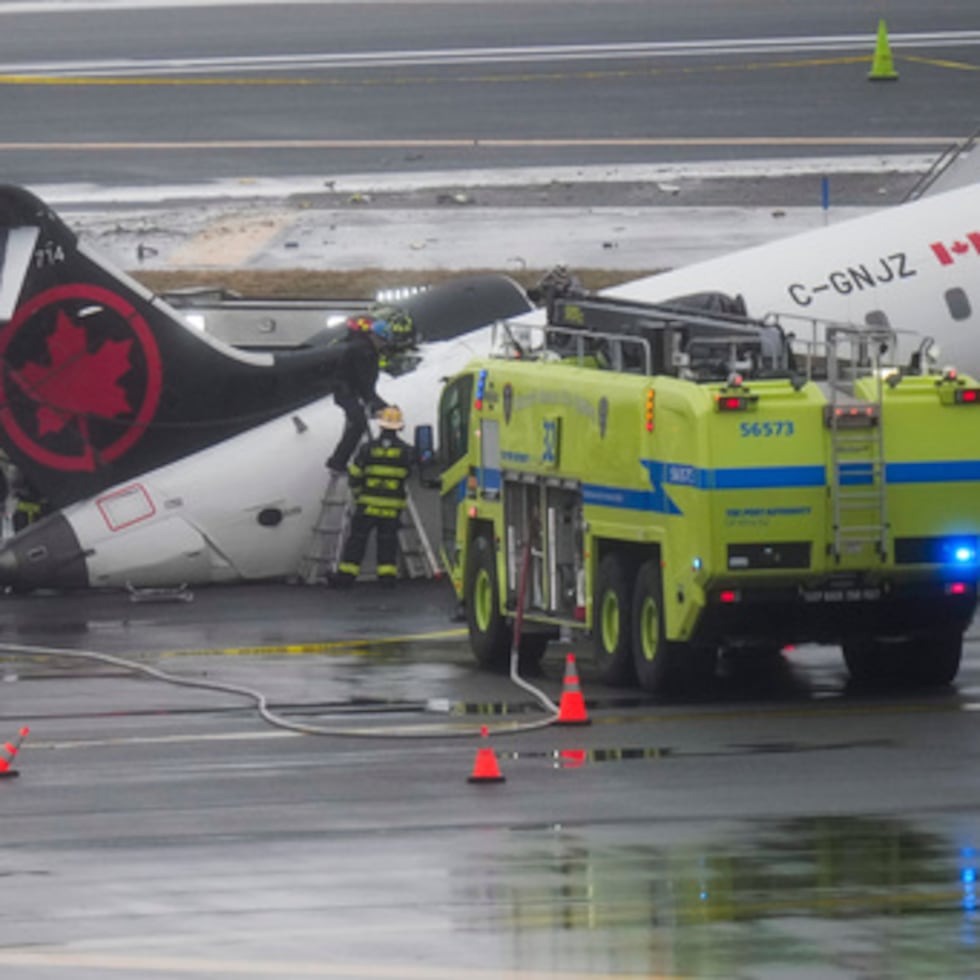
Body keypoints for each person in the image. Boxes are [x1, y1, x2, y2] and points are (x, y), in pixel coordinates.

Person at [330, 405, 415, 589]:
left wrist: (360, 495)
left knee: (357, 541)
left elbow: (355, 474)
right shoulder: (407, 452)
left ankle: (345, 579)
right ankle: (386, 580)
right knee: (387, 543)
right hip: (391, 509)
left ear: (381, 425)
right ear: (399, 427)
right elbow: (409, 473)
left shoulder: (367, 449)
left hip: (367, 506)